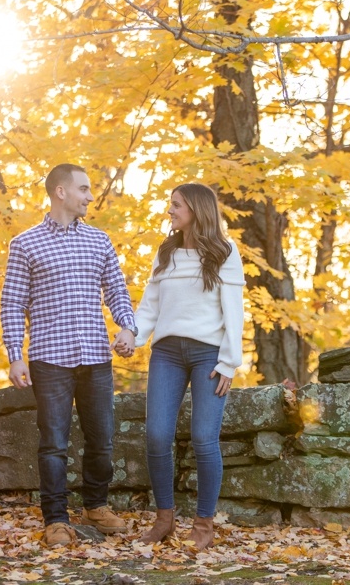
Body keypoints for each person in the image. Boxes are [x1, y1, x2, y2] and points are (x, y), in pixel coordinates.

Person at [1, 163, 138, 548]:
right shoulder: (25, 243)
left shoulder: (100, 241)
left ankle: (96, 505)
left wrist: (127, 327)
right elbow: (12, 305)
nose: (90, 196)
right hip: (49, 359)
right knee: (53, 443)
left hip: (96, 356)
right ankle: (56, 519)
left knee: (103, 440)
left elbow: (117, 292)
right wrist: (15, 355)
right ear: (60, 191)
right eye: (83, 189)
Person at [122, 183, 245, 551]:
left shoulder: (225, 251)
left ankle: (204, 525)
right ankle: (164, 519)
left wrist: (229, 361)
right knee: (157, 435)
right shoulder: (166, 252)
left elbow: (234, 312)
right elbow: (149, 307)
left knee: (205, 439)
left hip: (209, 355)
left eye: (175, 205)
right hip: (167, 354)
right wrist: (132, 335)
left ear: (195, 208)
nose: (169, 210)